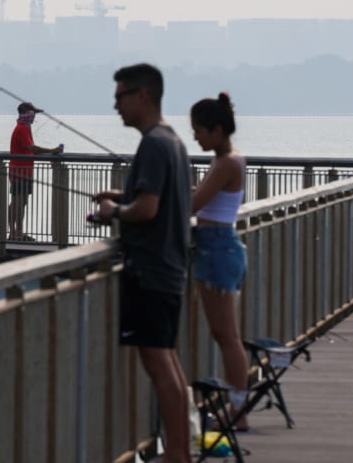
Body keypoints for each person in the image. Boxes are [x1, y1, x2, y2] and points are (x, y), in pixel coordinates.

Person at [91, 64, 191, 463]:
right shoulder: (172, 141)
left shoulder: (152, 143)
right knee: (167, 359)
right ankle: (180, 450)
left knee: (158, 361)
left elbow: (148, 209)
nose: (115, 105)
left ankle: (178, 455)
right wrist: (121, 196)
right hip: (169, 268)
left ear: (143, 96)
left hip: (150, 271)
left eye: (120, 96)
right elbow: (156, 197)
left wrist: (114, 212)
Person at [190, 92, 250, 431]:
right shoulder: (226, 159)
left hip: (217, 248)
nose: (195, 136)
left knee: (227, 336)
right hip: (218, 247)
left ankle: (238, 412)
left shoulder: (227, 161)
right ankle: (236, 408)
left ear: (216, 129)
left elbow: (194, 204)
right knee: (224, 334)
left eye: (198, 130)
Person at [8, 101, 62, 241]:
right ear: (26, 114)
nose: (33, 117)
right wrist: (52, 151)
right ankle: (15, 232)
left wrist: (51, 155)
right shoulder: (21, 129)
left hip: (25, 171)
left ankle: (17, 231)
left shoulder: (25, 128)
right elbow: (31, 148)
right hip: (19, 171)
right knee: (17, 202)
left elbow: (30, 149)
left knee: (22, 201)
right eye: (32, 113)